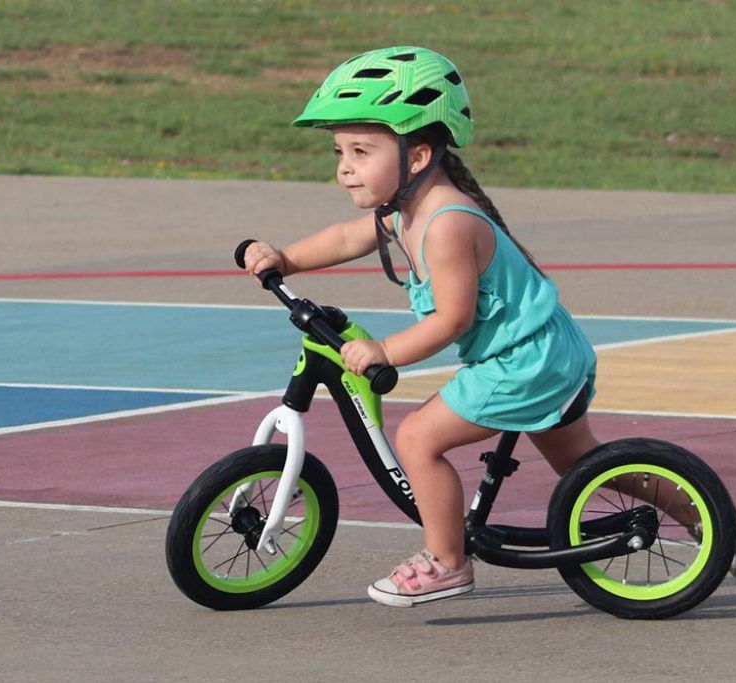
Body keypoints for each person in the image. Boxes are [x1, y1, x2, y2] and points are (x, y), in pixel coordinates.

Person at [243, 46, 608, 607]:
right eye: (340, 151)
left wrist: (386, 350)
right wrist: (285, 259)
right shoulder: (402, 210)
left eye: (361, 151)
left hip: (524, 362)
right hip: (542, 351)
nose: (344, 167)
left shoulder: (447, 223)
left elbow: (453, 317)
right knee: (586, 469)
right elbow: (347, 238)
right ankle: (702, 516)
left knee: (417, 437)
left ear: (416, 156)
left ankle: (447, 562)